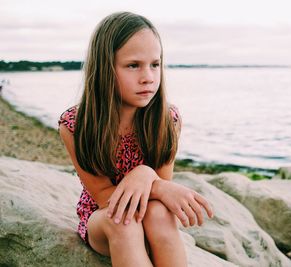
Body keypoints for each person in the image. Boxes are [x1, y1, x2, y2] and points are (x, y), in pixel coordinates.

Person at [58, 11, 213, 267]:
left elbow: (161, 192)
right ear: (105, 67)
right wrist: (144, 174)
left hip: (150, 213)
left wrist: (146, 176)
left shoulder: (167, 120)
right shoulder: (76, 124)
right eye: (133, 65)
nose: (148, 77)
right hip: (103, 216)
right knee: (124, 222)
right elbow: (104, 196)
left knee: (161, 214)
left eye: (155, 64)